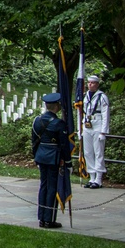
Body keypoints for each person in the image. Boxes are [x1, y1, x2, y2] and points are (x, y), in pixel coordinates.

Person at [32, 92, 72, 228]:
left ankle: (42, 218)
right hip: (53, 157)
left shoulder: (37, 120)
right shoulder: (58, 123)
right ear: (56, 106)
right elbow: (64, 145)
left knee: (43, 185)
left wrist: (35, 156)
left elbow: (34, 141)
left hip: (41, 156)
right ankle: (49, 219)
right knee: (51, 187)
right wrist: (68, 162)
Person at [82, 75, 110, 188]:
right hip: (87, 125)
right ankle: (92, 177)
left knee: (98, 152)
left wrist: (103, 132)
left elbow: (105, 114)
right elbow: (82, 112)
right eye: (89, 82)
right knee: (88, 152)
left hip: (97, 124)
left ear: (97, 84)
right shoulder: (85, 96)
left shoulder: (102, 96)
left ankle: (98, 179)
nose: (90, 84)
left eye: (93, 83)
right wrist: (81, 128)